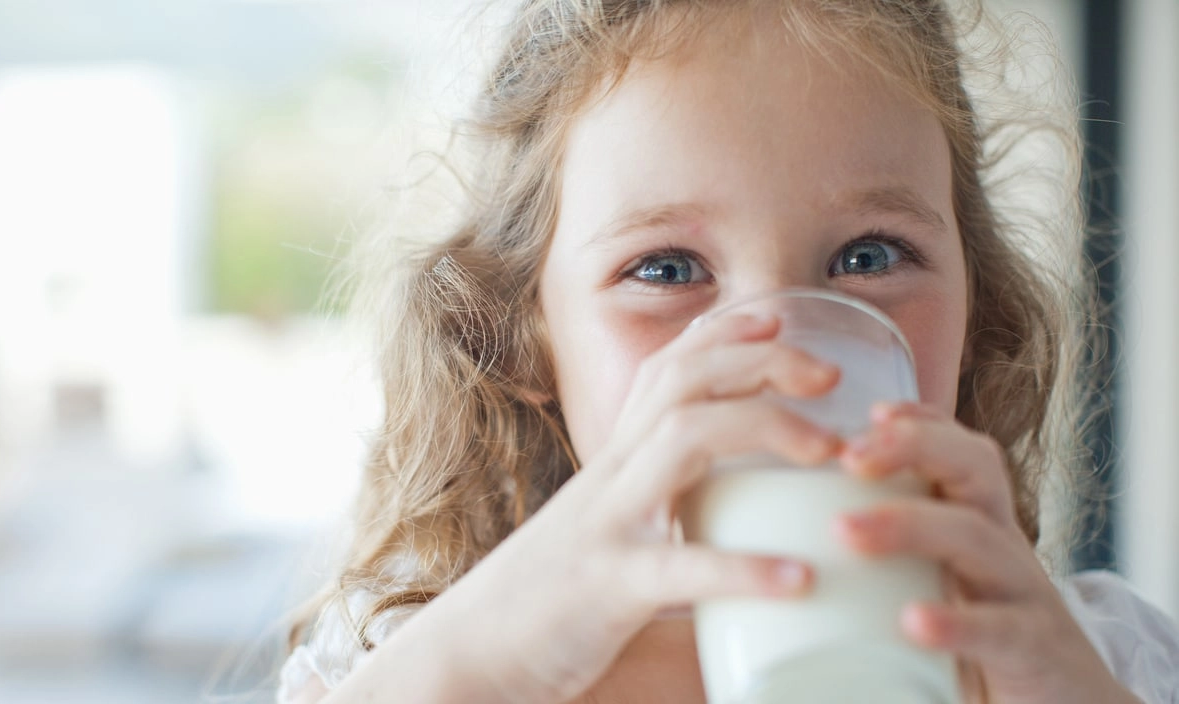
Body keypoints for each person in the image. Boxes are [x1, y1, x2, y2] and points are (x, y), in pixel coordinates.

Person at [277, 1, 1179, 702]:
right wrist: (469, 673)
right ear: (523, 337)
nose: (779, 348)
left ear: (976, 308)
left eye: (867, 258)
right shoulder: (415, 664)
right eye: (667, 269)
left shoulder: (1092, 659)